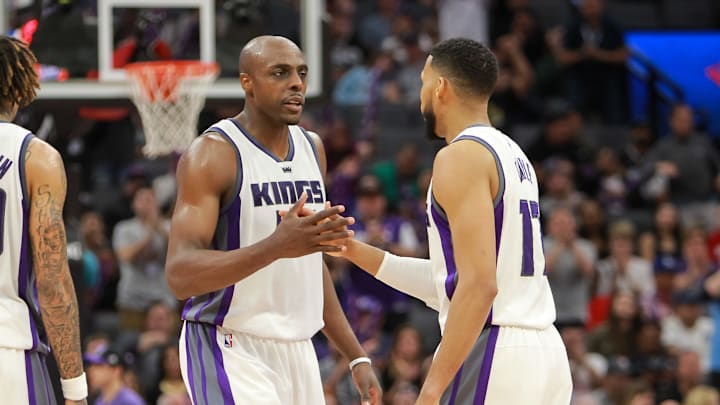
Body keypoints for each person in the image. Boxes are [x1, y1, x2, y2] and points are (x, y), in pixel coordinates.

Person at [334, 38, 573, 404]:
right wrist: (349, 248)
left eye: (423, 83)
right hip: (544, 353)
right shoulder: (514, 155)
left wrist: (431, 390)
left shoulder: (459, 156)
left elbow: (478, 287)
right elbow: (449, 285)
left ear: (441, 87)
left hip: (496, 350)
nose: (420, 97)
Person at [165, 35, 382, 404]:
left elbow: (312, 268)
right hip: (228, 342)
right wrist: (276, 246)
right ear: (247, 82)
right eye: (279, 73)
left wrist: (356, 355)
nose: (296, 82)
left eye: (301, 73)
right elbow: (180, 274)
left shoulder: (313, 149)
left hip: (298, 349)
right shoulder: (213, 154)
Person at [0, 36, 88, 404]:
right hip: (8, 351)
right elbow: (52, 281)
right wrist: (75, 388)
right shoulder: (36, 157)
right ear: (20, 91)